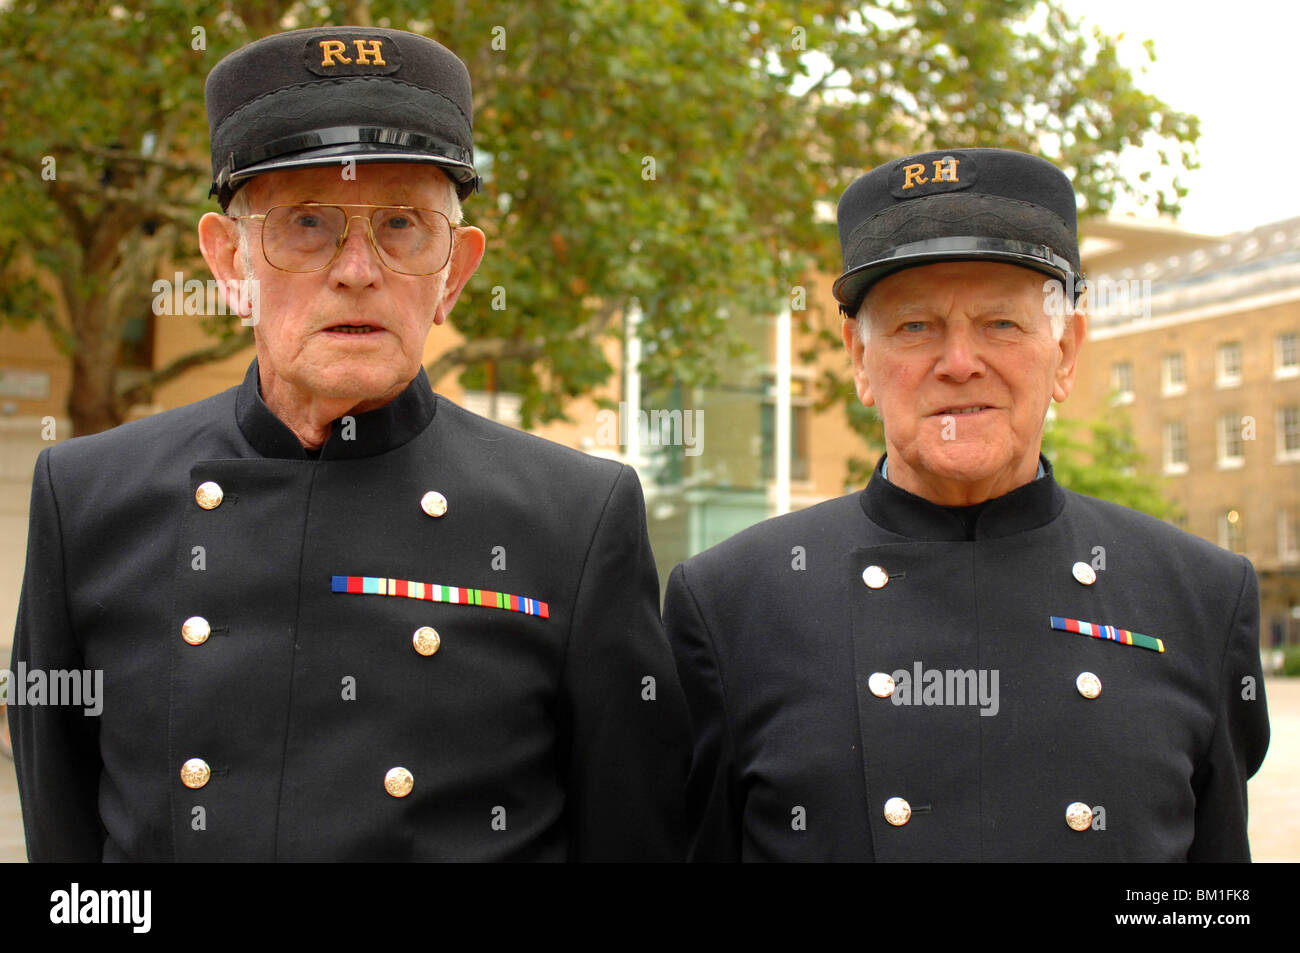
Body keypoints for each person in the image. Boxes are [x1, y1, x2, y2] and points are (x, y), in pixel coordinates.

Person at [10, 26, 688, 861]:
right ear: (228, 264)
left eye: (402, 224)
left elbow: (637, 837)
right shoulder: (85, 497)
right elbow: (67, 856)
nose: (358, 268)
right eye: (306, 224)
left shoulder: (576, 519)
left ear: (457, 271)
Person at [663, 147, 1270, 861]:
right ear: (860, 360)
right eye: (915, 326)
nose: (958, 362)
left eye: (1001, 325)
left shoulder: (1198, 596)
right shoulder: (732, 604)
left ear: (1066, 353)